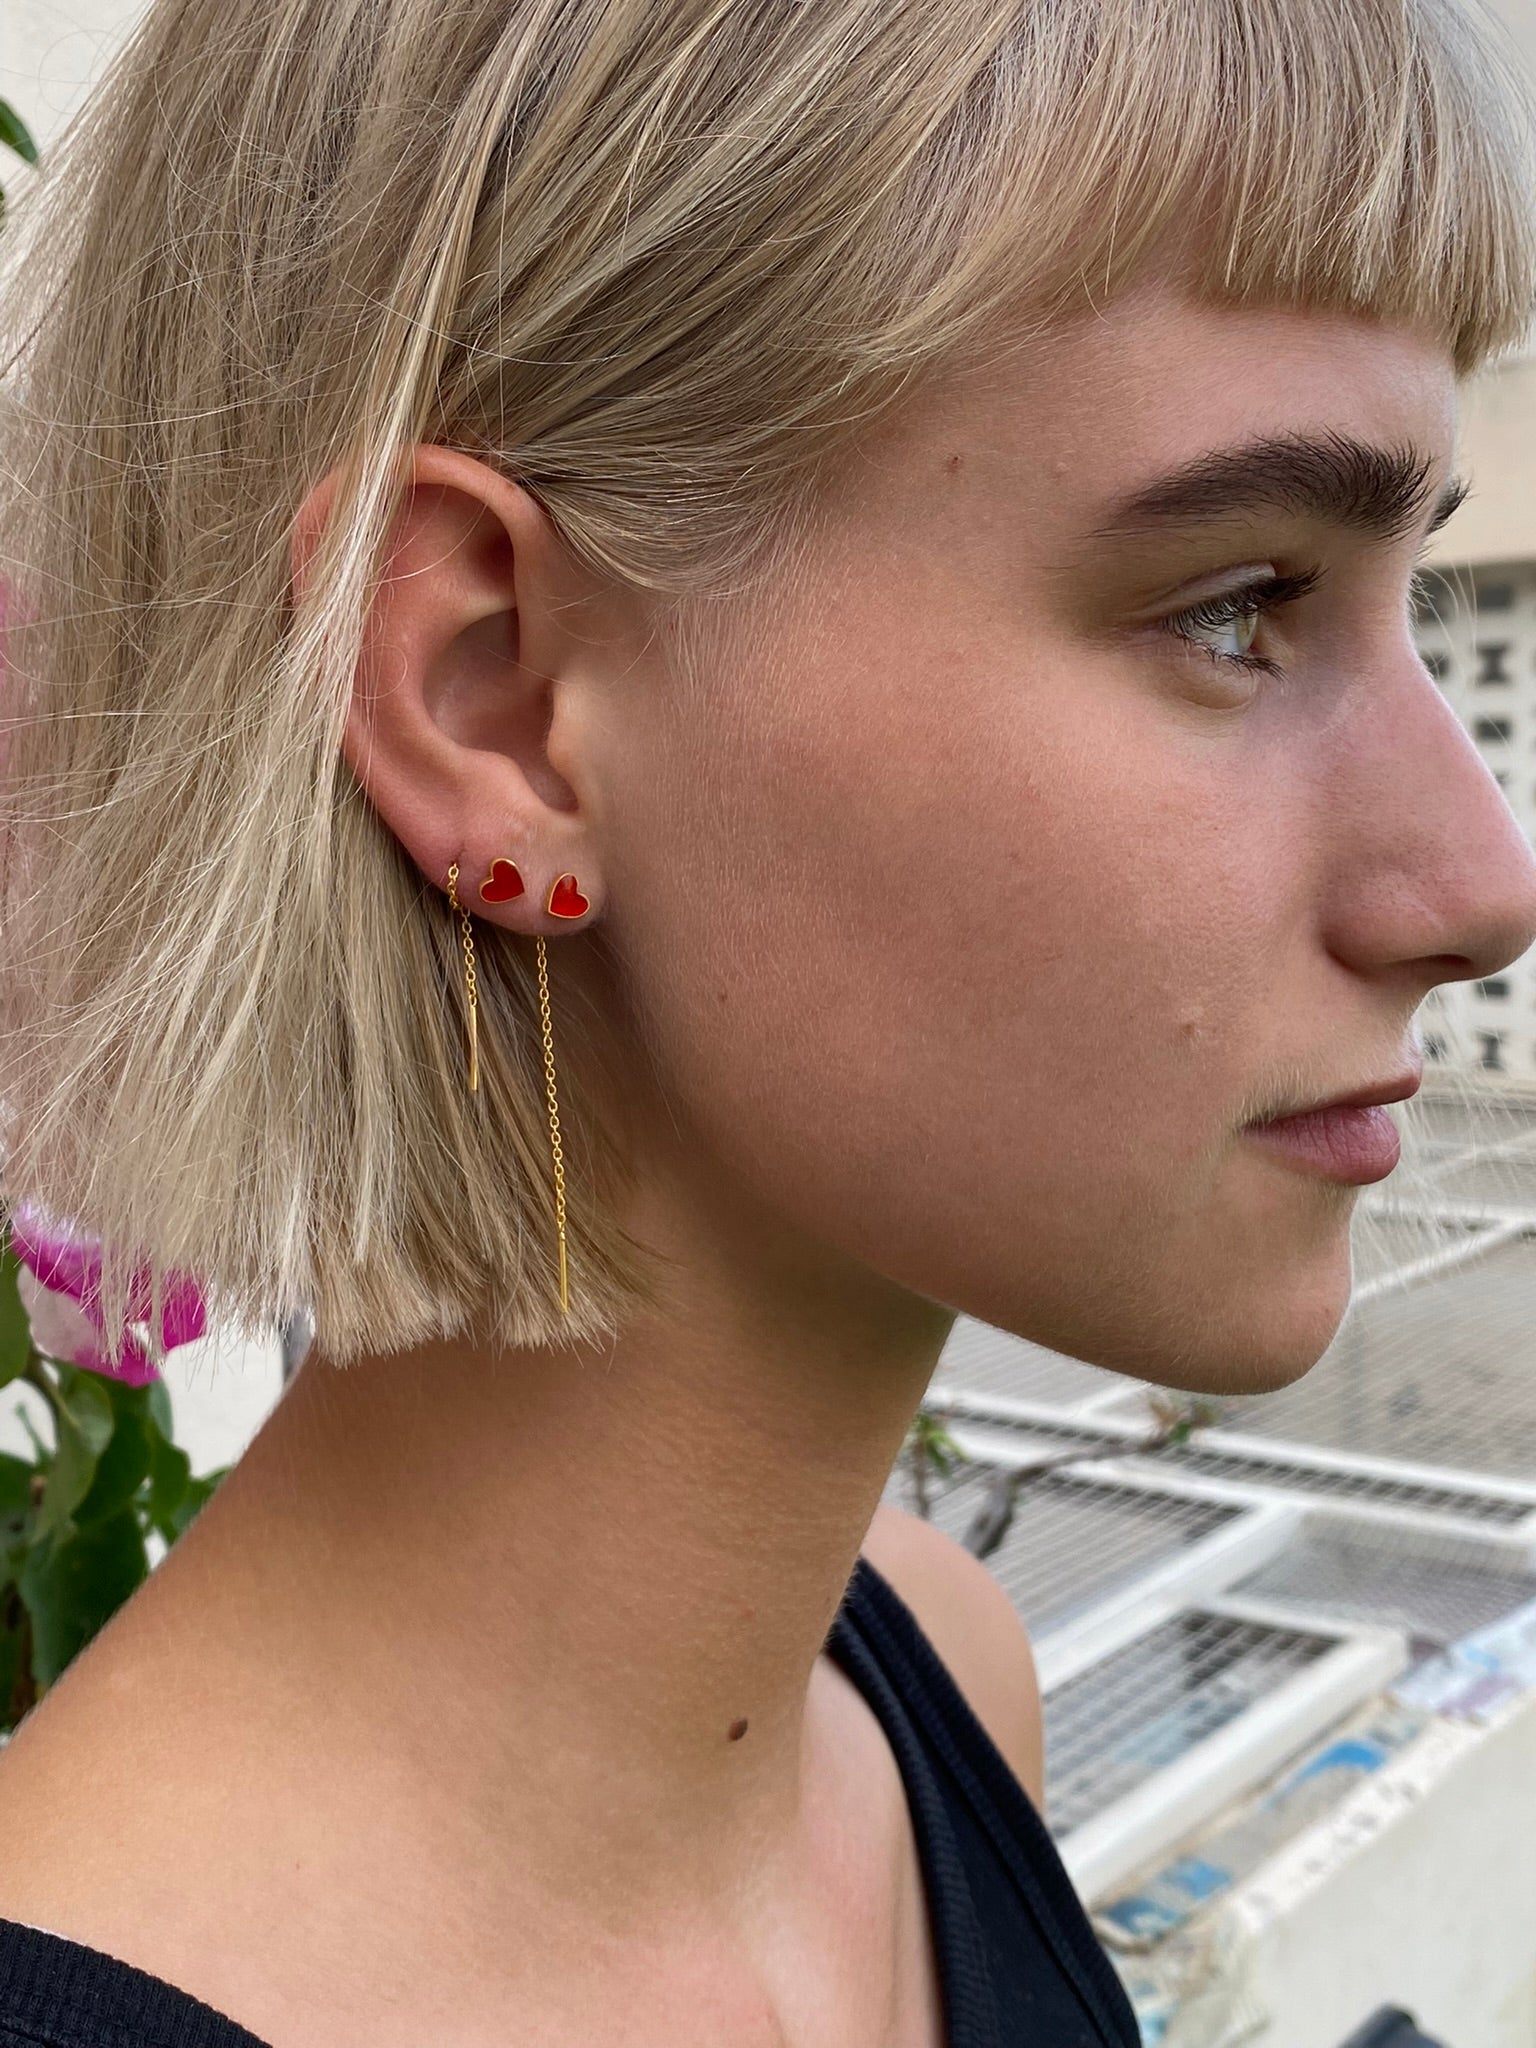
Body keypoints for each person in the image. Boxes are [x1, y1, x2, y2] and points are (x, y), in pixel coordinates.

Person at [0, 0, 1532, 2041]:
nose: (1481, 884)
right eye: (1239, 604)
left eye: (1407, 597)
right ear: (497, 700)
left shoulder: (929, 1689)